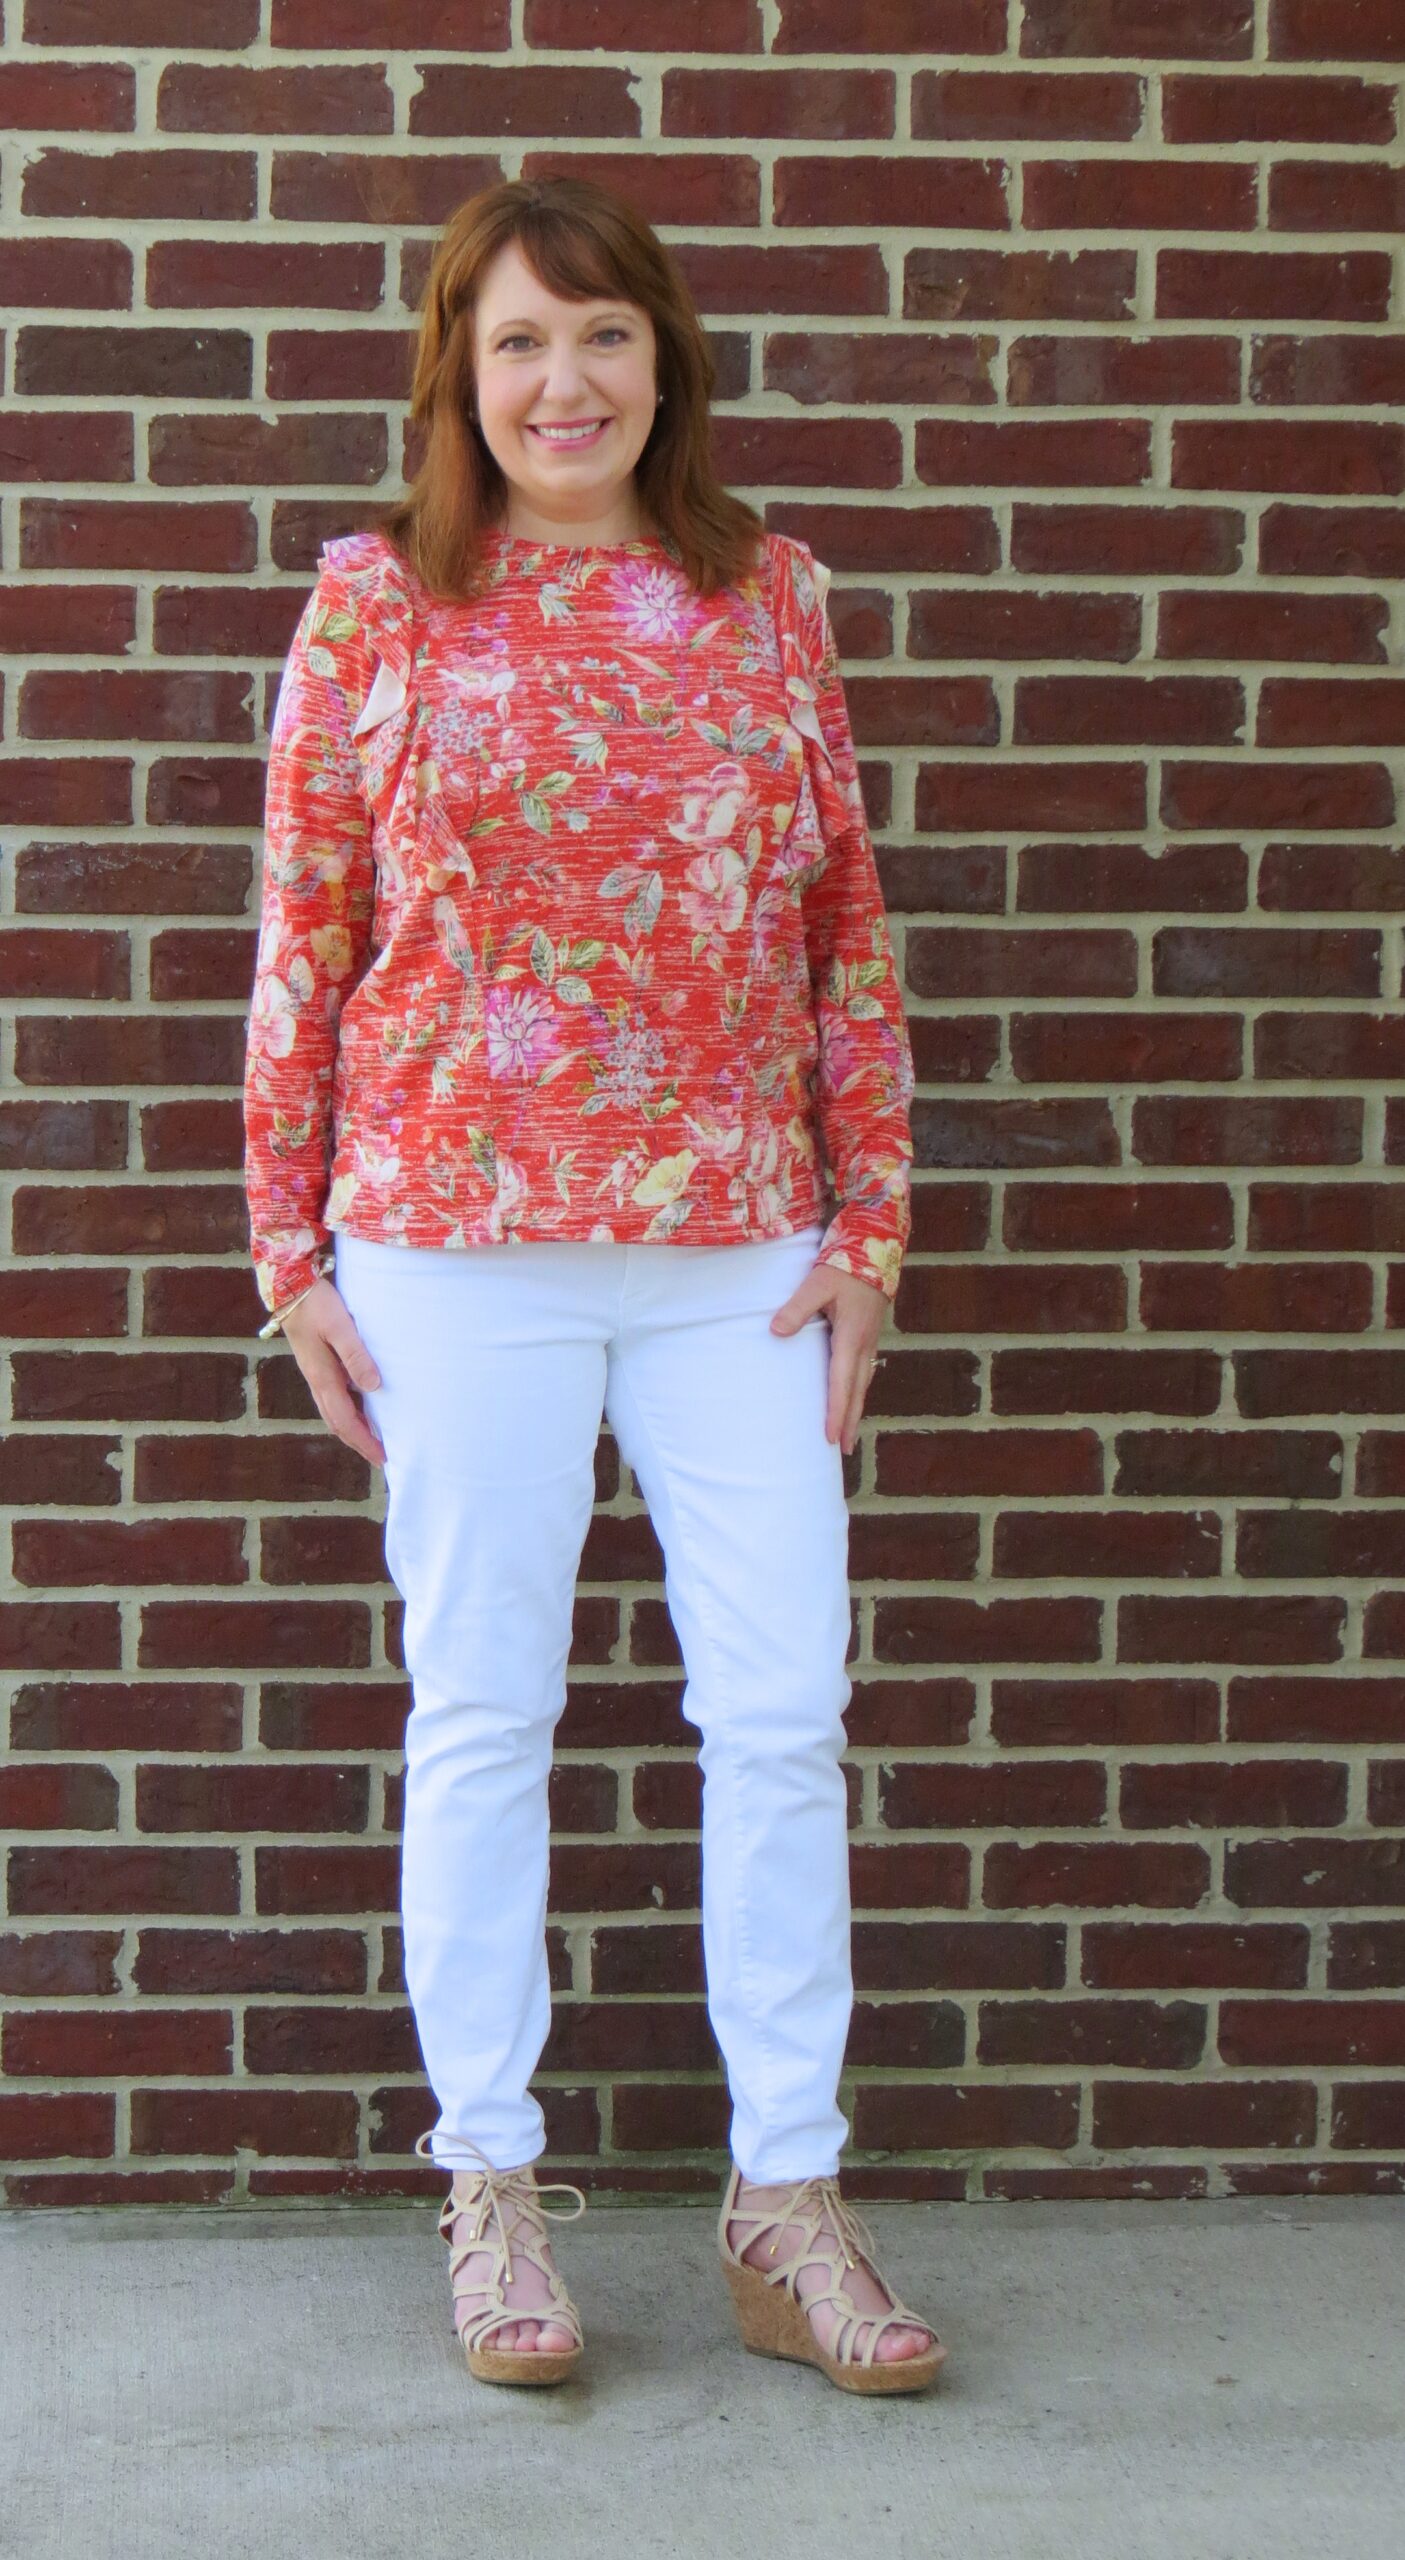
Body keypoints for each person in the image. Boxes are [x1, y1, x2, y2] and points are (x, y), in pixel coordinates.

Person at [242, 171, 944, 2398]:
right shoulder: (379, 604)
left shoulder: (767, 596)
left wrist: (872, 1230)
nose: (566, 383)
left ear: (666, 364)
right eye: (520, 341)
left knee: (775, 1717)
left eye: (606, 337)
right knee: (485, 1714)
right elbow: (305, 941)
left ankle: (788, 2199)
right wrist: (290, 1249)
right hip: (455, 1245)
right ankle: (490, 2188)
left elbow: (842, 922)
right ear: (460, 370)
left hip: (737, 1246)